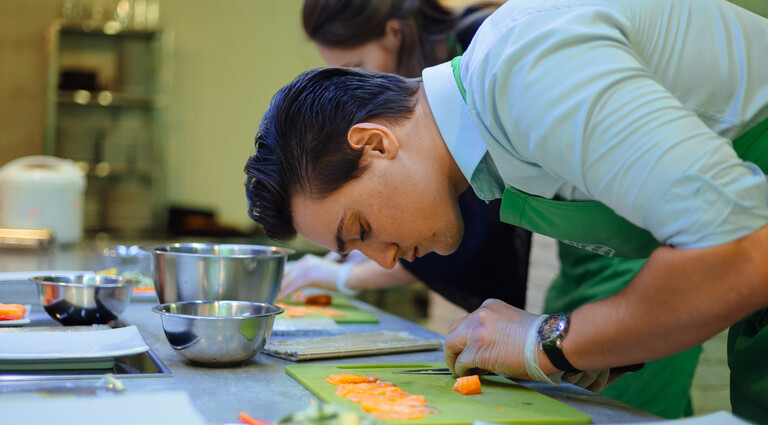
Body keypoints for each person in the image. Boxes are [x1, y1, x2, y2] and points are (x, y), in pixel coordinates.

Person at [244, 0, 768, 421]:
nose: (381, 261)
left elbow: (741, 252)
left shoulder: (526, 70)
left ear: (376, 144)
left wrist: (548, 342)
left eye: (360, 229)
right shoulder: (493, 160)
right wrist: (596, 344)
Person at [284, 0, 531, 315]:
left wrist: (349, 276)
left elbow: (471, 232)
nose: (354, 83)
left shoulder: (488, 57)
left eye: (357, 64)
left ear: (393, 32)